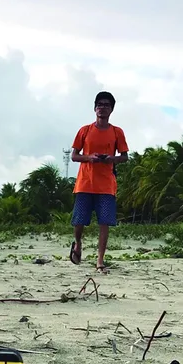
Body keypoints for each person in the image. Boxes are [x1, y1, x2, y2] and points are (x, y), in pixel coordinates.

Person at [69, 91, 128, 273]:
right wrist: (89, 157)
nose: (103, 108)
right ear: (95, 108)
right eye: (100, 104)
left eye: (107, 105)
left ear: (111, 110)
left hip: (106, 185)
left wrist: (111, 159)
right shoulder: (84, 130)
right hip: (85, 183)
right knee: (79, 221)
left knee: (105, 222)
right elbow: (74, 156)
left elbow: (124, 157)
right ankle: (78, 244)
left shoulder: (117, 132)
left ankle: (100, 260)